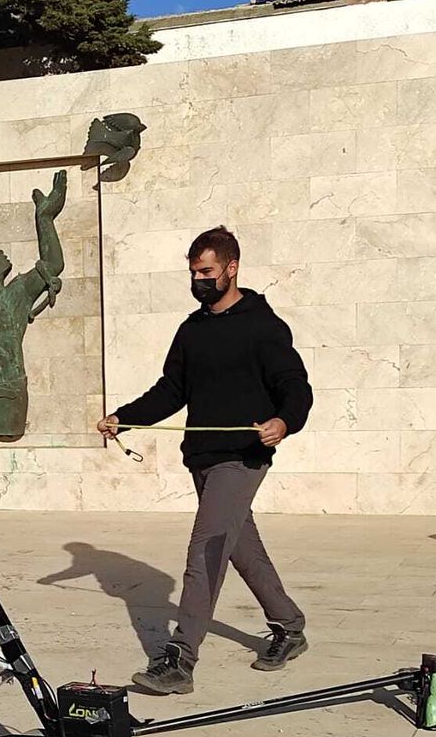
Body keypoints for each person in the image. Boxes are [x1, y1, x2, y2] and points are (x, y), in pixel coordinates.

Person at [99, 226, 313, 695]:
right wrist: (124, 417)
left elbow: (296, 385)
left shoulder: (263, 326)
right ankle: (289, 625)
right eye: (193, 271)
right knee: (239, 546)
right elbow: (171, 391)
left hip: (243, 457)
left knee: (205, 549)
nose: (198, 279)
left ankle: (180, 659)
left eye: (206, 271)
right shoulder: (191, 331)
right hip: (202, 457)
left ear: (231, 268)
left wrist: (284, 421)